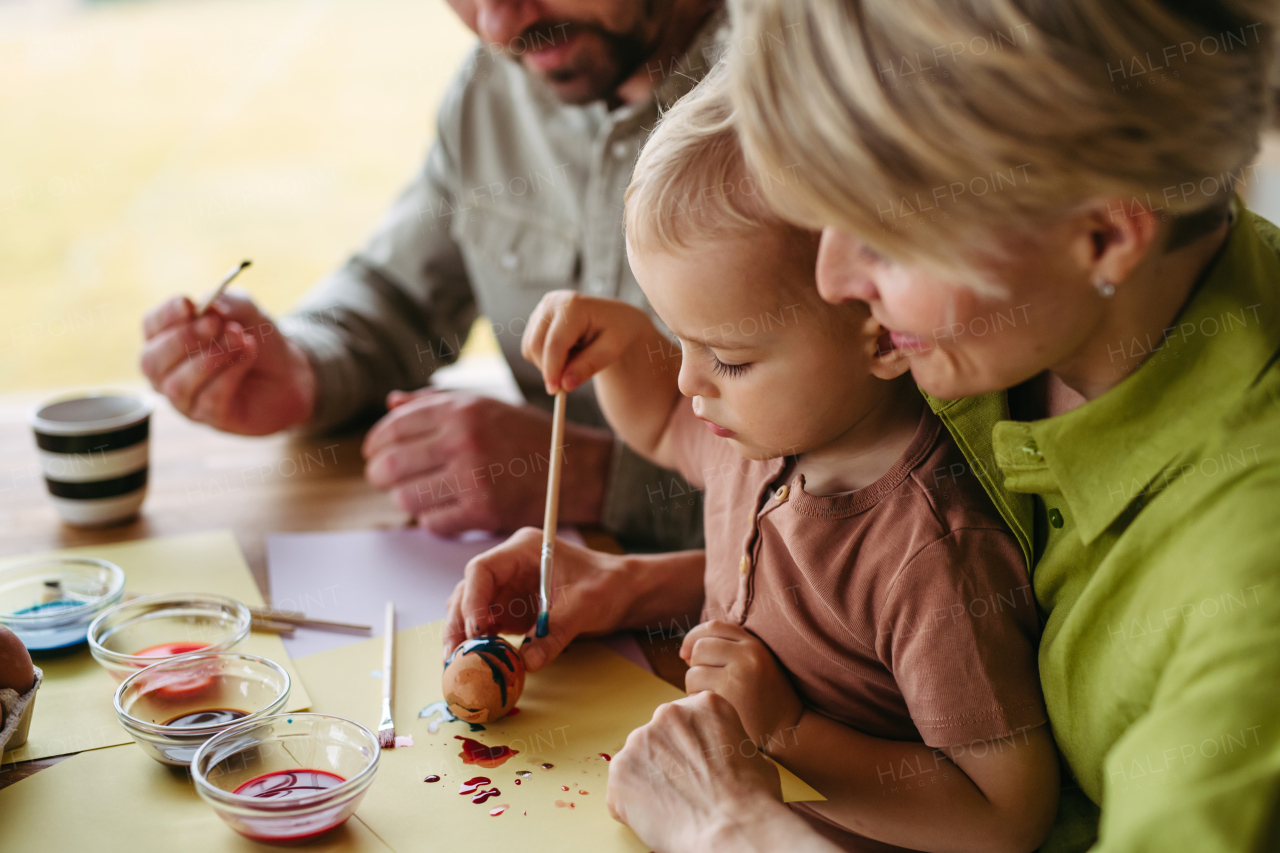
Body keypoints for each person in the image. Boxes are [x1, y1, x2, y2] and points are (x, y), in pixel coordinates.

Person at [599, 1, 1280, 851]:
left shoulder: (1250, 603)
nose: (834, 277)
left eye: (882, 234)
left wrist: (728, 828)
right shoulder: (1014, 317)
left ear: (1104, 234)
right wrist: (634, 587)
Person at [451, 66, 1059, 852]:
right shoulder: (763, 432)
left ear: (882, 333)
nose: (686, 379)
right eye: (678, 340)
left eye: (727, 356)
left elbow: (1005, 815)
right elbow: (667, 426)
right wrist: (620, 341)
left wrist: (790, 729)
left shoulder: (929, 555)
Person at [138, 0, 730, 550]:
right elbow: (399, 296)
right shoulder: (497, 84)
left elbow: (822, 508)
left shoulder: (800, 92)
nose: (497, 29)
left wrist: (598, 480)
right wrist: (303, 366)